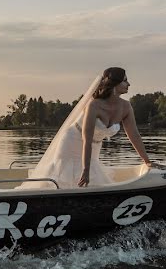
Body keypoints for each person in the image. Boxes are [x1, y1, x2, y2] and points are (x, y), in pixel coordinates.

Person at [28, 67, 156, 189]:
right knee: (67, 176)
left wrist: (147, 161)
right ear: (114, 84)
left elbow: (134, 136)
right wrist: (85, 170)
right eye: (125, 80)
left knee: (95, 178)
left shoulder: (126, 107)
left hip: (94, 146)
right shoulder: (94, 105)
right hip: (73, 140)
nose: (129, 84)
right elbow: (86, 139)